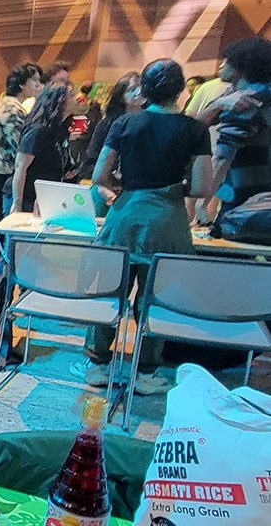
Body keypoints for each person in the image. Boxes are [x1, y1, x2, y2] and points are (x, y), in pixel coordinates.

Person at [87, 59, 211, 394]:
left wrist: (127, 183)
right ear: (181, 89)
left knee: (110, 291)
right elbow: (201, 186)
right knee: (154, 299)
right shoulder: (195, 130)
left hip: (124, 217)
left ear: (144, 89)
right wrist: (171, 188)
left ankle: (97, 365)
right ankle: (145, 373)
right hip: (168, 221)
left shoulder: (126, 123)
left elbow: (100, 174)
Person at [195, 38, 271, 227]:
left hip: (246, 201)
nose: (221, 65)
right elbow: (197, 125)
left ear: (241, 69)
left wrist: (201, 204)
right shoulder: (251, 93)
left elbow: (222, 158)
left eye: (227, 61)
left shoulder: (245, 102)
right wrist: (220, 103)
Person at [0, 63, 42, 268]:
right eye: (34, 81)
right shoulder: (12, 109)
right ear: (22, 84)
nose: (38, 85)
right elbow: (20, 145)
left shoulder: (5, 103)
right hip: (3, 171)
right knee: (1, 217)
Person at [11, 83, 80, 214]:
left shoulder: (60, 128)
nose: (76, 98)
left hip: (46, 198)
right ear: (59, 101)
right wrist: (17, 204)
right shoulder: (39, 130)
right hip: (28, 199)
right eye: (71, 95)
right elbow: (20, 167)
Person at [80, 72, 143, 182]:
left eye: (141, 87)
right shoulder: (107, 124)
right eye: (132, 89)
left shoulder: (150, 119)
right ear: (121, 96)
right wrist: (112, 173)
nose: (139, 92)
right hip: (112, 183)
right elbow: (90, 162)